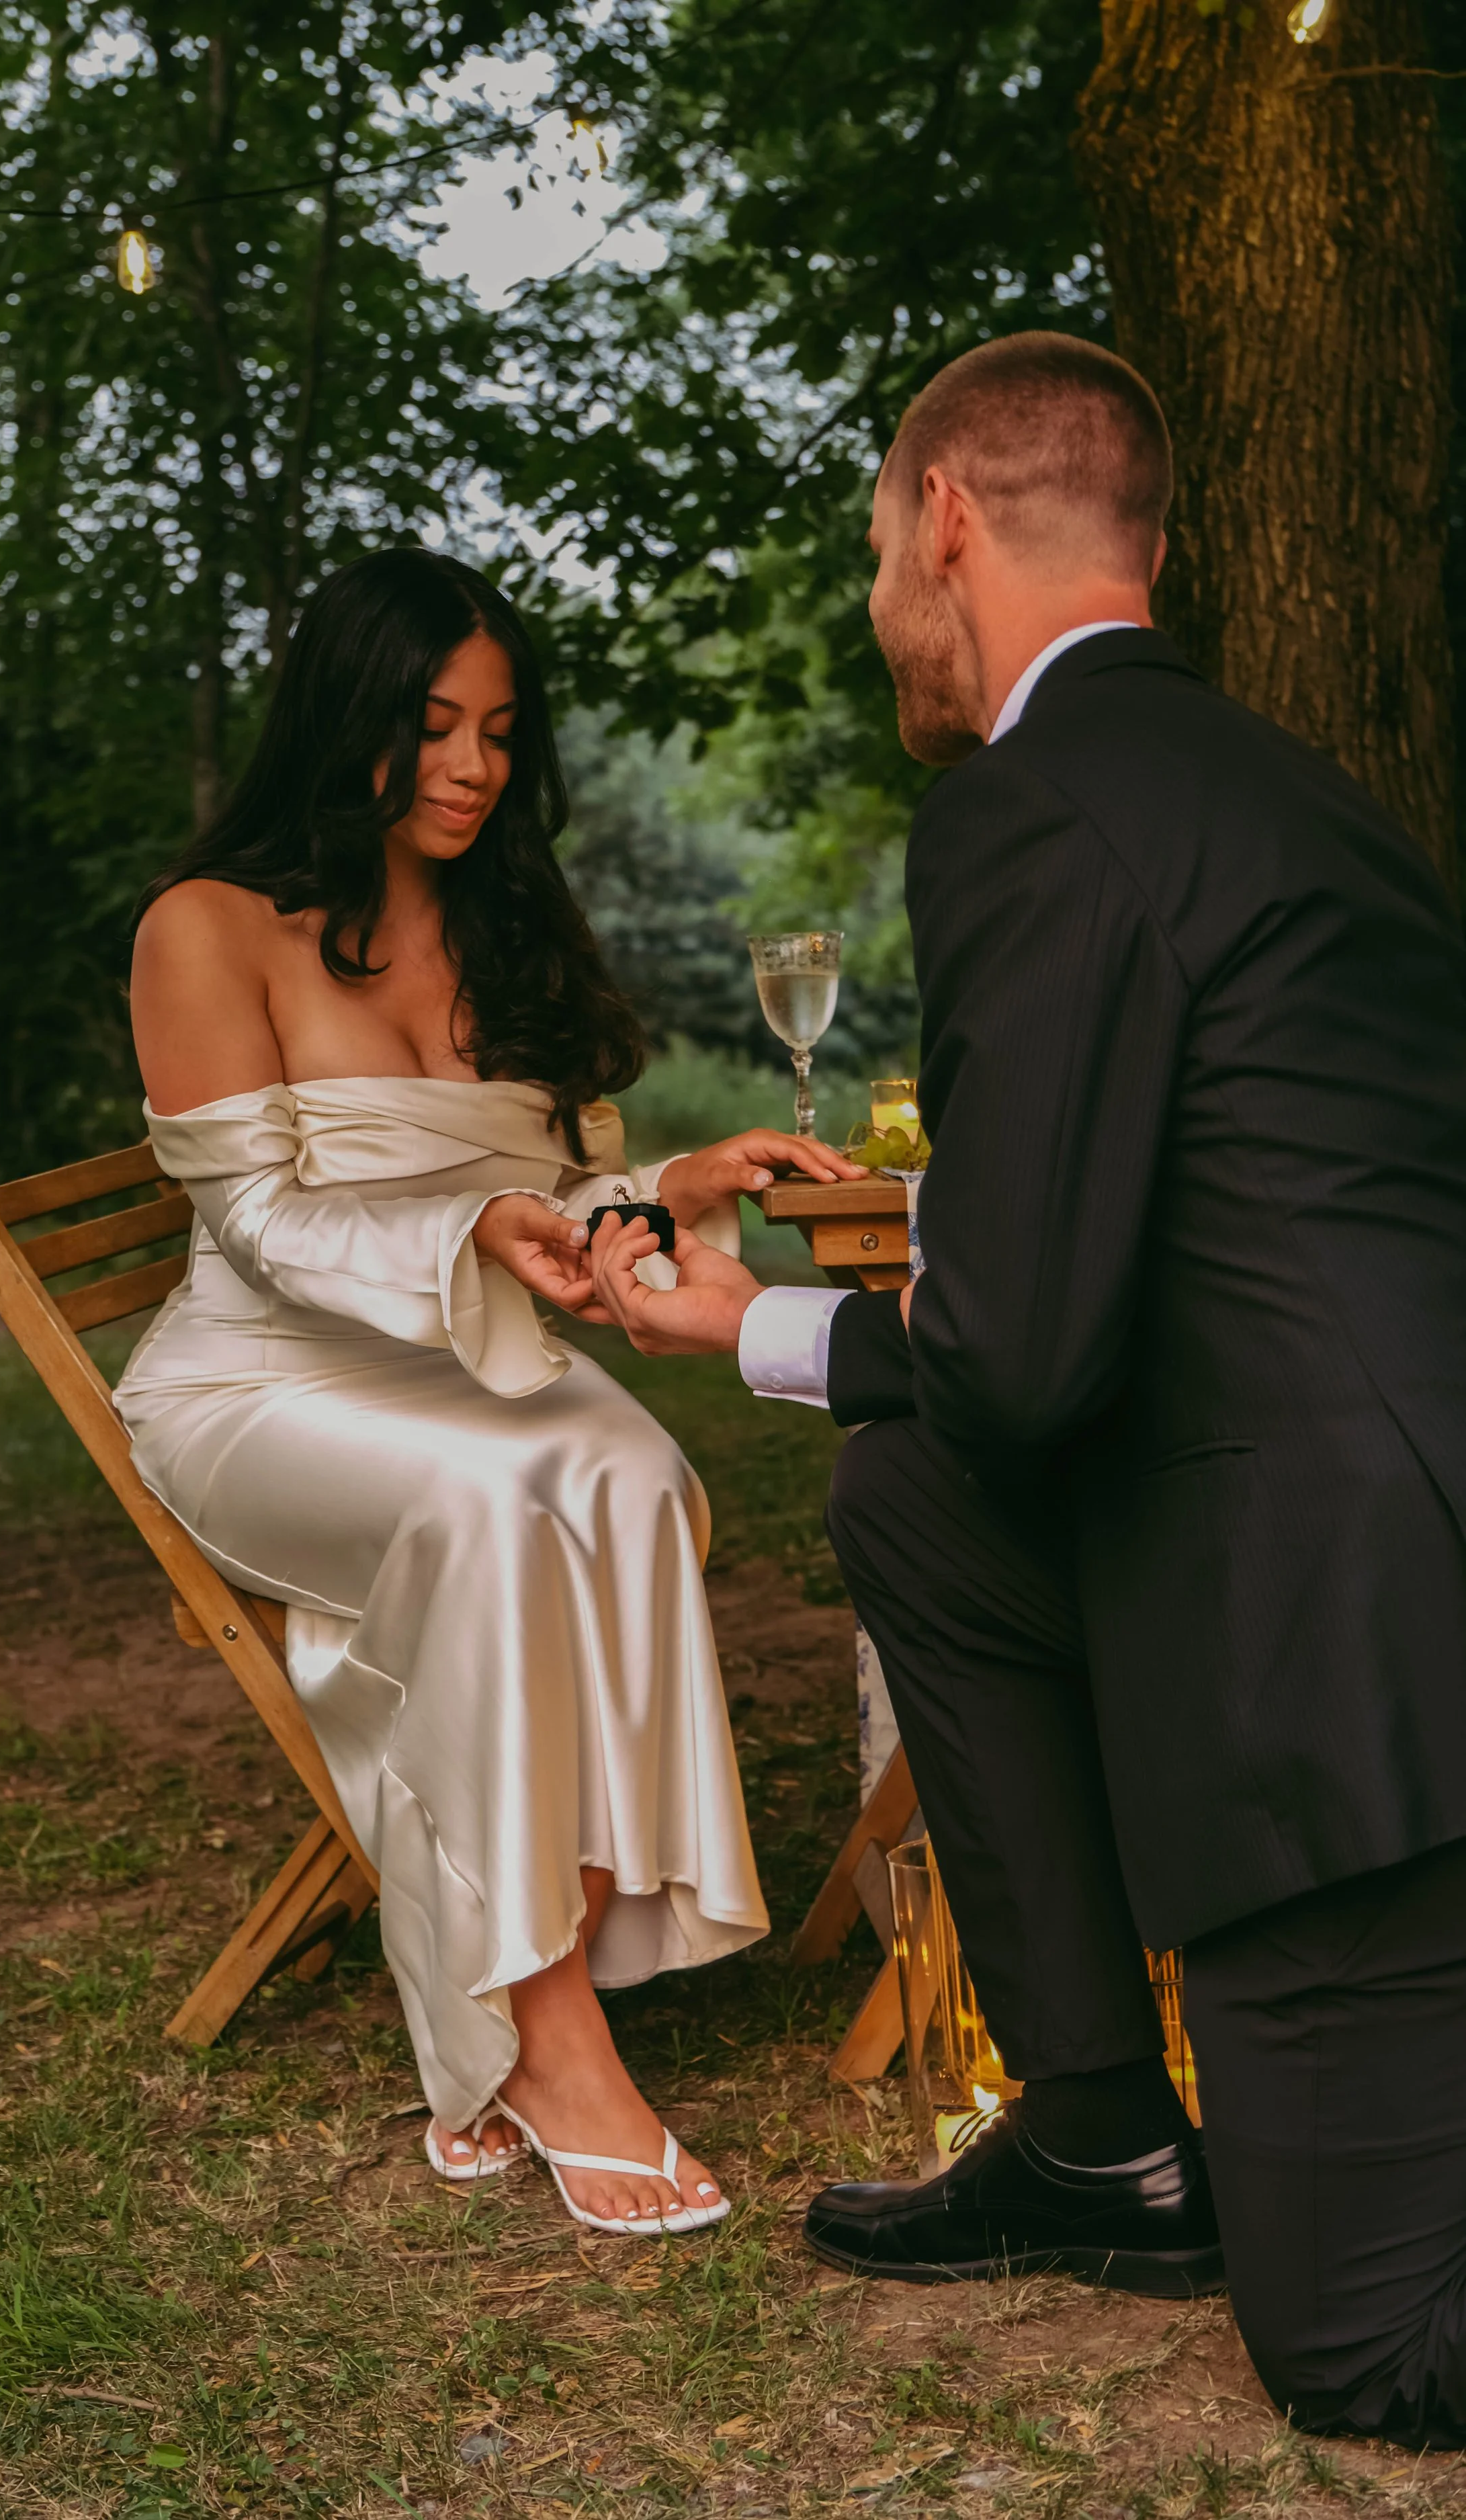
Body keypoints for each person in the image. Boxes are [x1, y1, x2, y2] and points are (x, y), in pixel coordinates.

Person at [590, 332, 1466, 2443]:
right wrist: (760, 1336)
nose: (883, 597)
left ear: (945, 519)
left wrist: (736, 1326)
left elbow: (1021, 1348)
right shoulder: (1288, 788)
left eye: (880, 548)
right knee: (917, 1507)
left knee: (1357, 2345)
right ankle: (1095, 2134)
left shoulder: (1025, 803)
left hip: (1357, 1658)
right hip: (1370, 1512)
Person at [120, 547, 861, 2236]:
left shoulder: (497, 923)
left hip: (467, 1352)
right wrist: (482, 1223)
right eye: (432, 725)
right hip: (260, 1381)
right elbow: (261, 1223)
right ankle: (542, 2033)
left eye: (499, 732)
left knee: (624, 1470)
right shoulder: (207, 930)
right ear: (345, 718)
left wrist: (668, 1189)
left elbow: (556, 1205)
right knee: (493, 1500)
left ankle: (555, 1918)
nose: (470, 768)